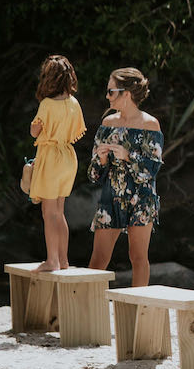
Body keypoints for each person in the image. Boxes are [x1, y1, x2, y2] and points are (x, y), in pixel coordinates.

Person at [86, 68, 163, 286]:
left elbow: (152, 170)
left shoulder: (150, 125)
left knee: (138, 258)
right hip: (111, 198)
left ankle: (139, 312)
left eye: (111, 92)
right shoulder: (107, 124)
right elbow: (93, 175)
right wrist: (101, 160)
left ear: (126, 94)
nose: (107, 96)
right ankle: (89, 310)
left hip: (142, 200)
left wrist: (128, 156)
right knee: (98, 260)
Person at [28, 55, 87, 271]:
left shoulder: (46, 104)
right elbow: (76, 132)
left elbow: (35, 130)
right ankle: (63, 260)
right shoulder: (74, 103)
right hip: (68, 157)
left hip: (51, 157)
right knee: (59, 212)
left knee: (49, 212)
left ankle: (51, 260)